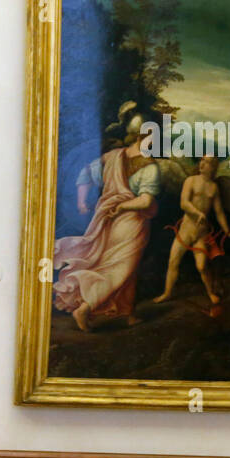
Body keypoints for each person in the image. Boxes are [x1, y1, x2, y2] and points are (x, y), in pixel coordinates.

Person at [52, 113, 162, 331]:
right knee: (119, 269)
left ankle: (128, 313)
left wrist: (83, 202)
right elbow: (145, 200)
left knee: (127, 268)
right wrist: (122, 206)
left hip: (107, 220)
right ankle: (84, 308)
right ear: (147, 136)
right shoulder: (150, 167)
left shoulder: (112, 156)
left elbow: (85, 174)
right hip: (131, 223)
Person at [152, 154, 230, 310]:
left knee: (202, 266)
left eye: (207, 162)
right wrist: (198, 213)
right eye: (202, 161)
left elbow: (219, 212)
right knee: (173, 261)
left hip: (201, 234)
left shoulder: (213, 187)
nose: (203, 164)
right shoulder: (190, 181)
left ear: (213, 167)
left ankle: (211, 293)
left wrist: (227, 231)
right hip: (185, 231)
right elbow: (184, 203)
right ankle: (167, 293)